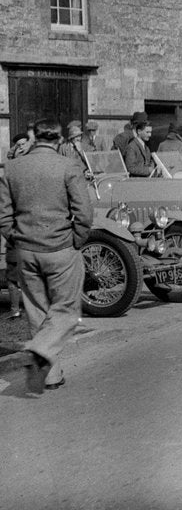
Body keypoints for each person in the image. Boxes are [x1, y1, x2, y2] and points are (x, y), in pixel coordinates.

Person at [0, 118, 92, 393]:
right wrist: (76, 239)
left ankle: (50, 376)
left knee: (37, 311)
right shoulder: (68, 166)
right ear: (59, 140)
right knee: (66, 309)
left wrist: (16, 239)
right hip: (61, 248)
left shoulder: (13, 168)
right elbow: (84, 213)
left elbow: (4, 216)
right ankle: (38, 350)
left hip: (26, 250)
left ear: (35, 137)